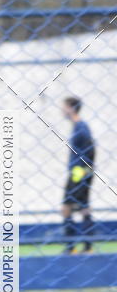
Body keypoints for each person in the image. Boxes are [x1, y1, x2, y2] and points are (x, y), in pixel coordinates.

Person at [62, 96, 95, 254]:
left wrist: (83, 171)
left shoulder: (81, 126)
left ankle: (71, 247)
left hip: (78, 174)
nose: (62, 110)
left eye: (64, 107)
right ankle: (87, 247)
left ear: (71, 108)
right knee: (84, 208)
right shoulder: (78, 126)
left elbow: (90, 149)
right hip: (79, 173)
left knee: (67, 207)